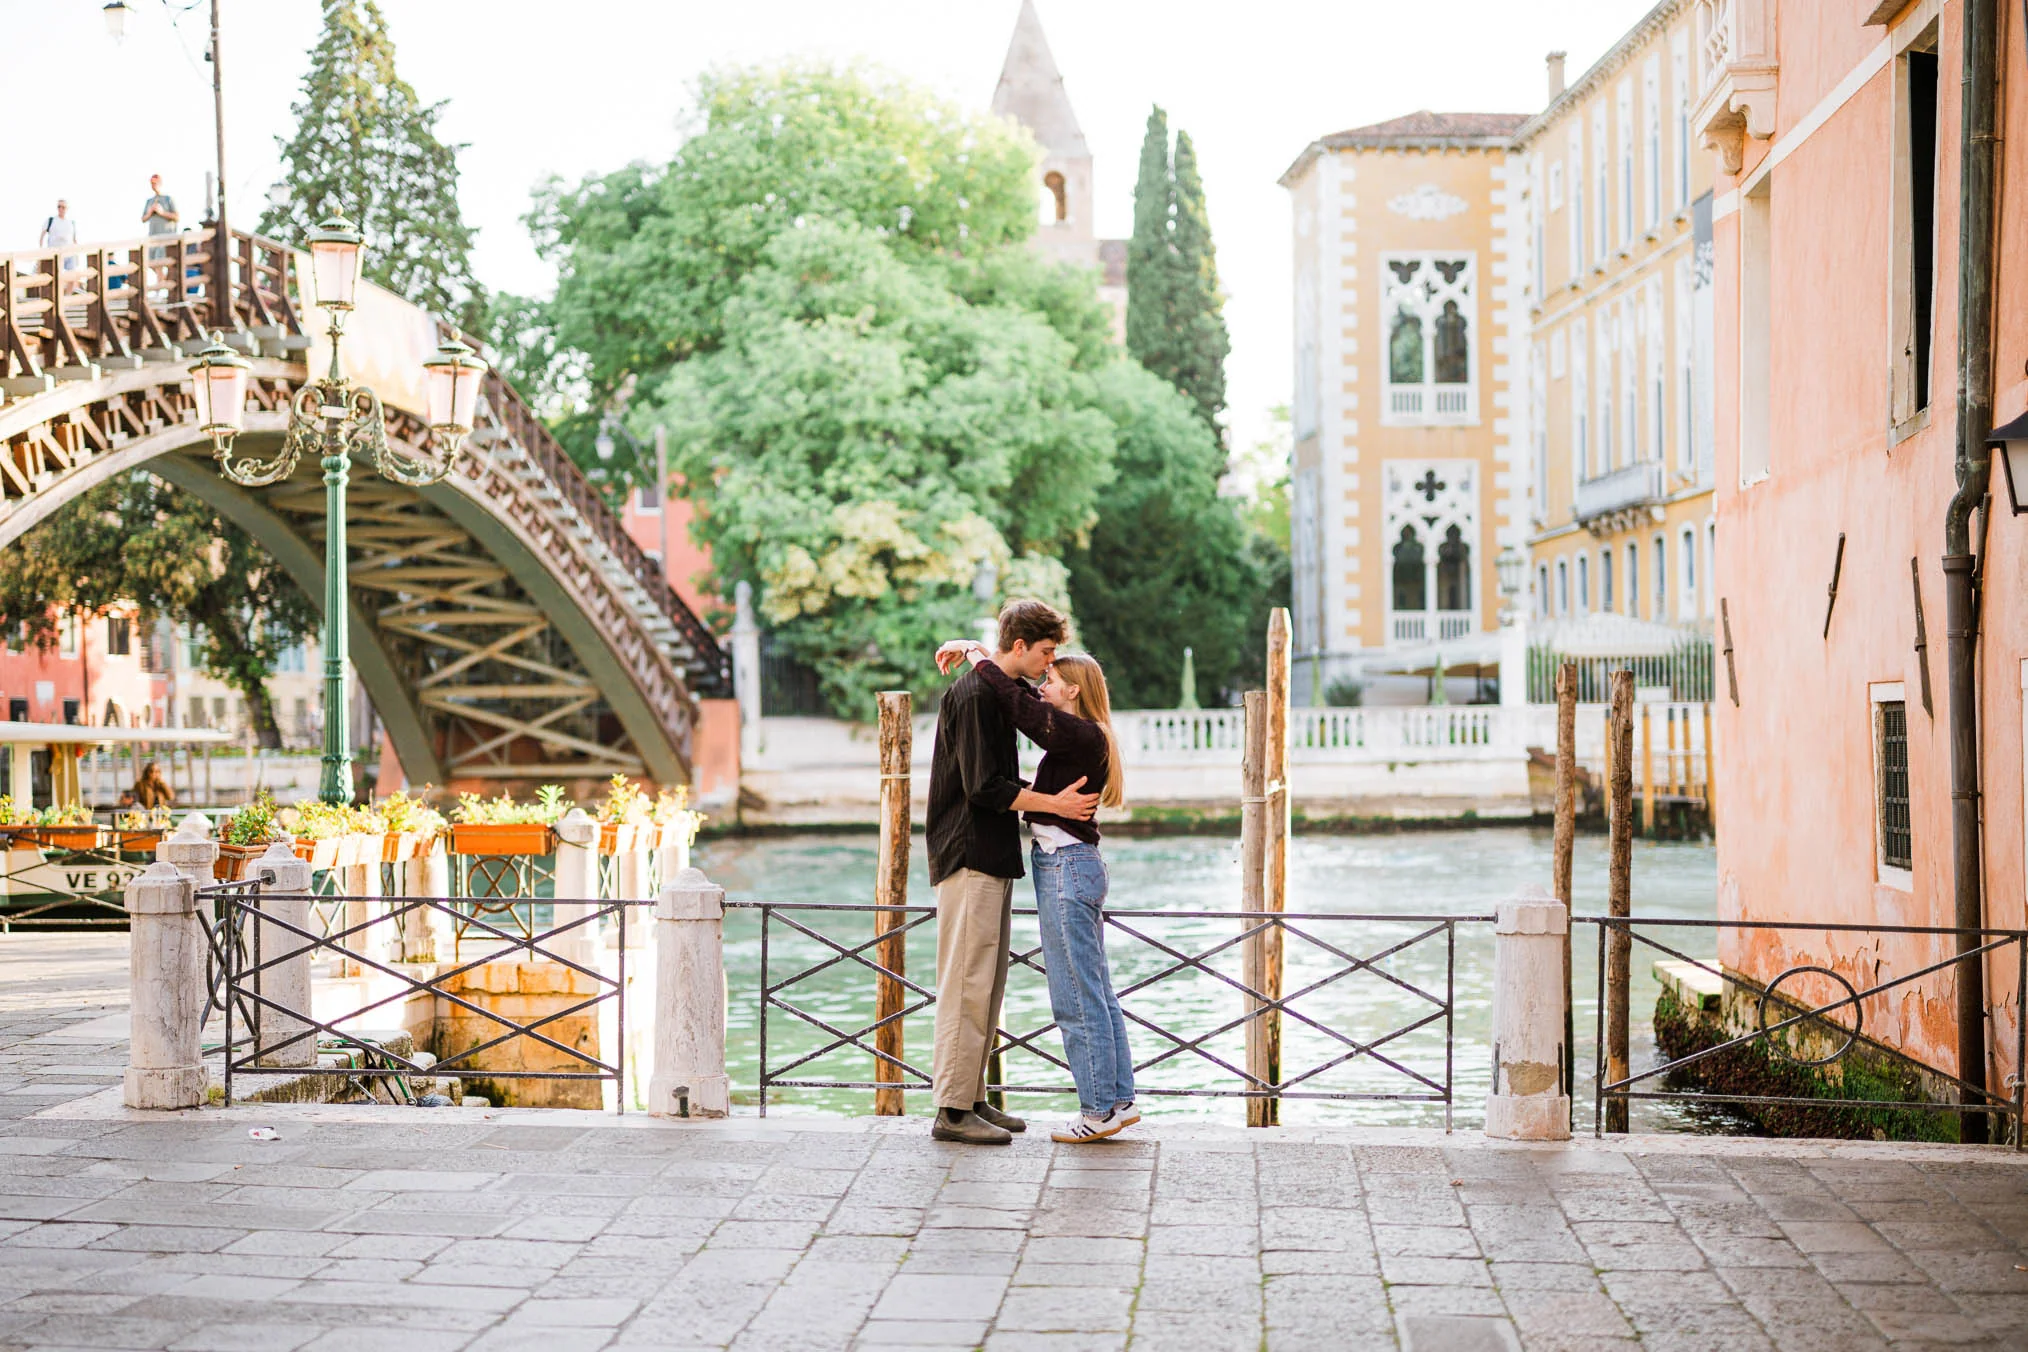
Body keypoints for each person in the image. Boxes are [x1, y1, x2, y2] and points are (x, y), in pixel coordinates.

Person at [938, 638, 1136, 1143]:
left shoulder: (1078, 732)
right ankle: (1117, 1101)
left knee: (1074, 995)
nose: (1041, 683)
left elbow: (1020, 707)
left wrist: (979, 657)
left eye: (1050, 679)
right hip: (1074, 865)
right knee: (1095, 990)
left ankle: (1097, 1112)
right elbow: (1022, 708)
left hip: (1066, 867)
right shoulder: (1082, 736)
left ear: (1072, 691)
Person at [39, 201, 80, 292]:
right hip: (55, 253)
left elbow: (74, 239)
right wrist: (41, 250)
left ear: (67, 209)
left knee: (72, 276)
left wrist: (77, 254)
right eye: (59, 207)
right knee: (57, 277)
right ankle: (59, 297)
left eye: (63, 207)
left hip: (69, 253)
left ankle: (67, 298)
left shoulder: (71, 222)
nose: (61, 209)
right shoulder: (51, 220)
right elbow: (42, 235)